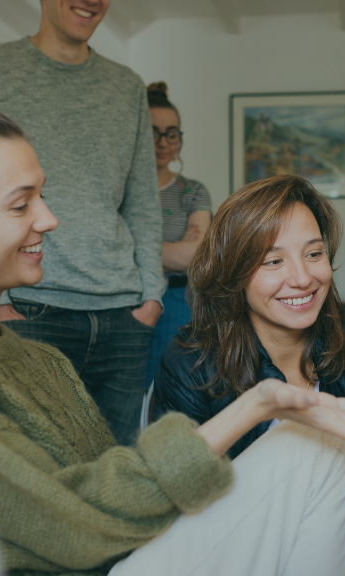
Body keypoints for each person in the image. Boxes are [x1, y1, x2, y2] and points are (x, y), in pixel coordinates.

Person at [0, 34, 345, 576]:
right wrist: (258, 404)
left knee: (311, 450)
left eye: (314, 254)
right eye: (23, 204)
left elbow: (122, 491)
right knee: (309, 450)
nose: (49, 219)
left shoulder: (36, 359)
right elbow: (82, 521)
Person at [0, 0, 164, 446]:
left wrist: (151, 296)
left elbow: (143, 202)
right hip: (26, 311)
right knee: (36, 474)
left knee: (118, 472)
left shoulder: (127, 87)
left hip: (124, 317)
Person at [153, 174, 345, 458]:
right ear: (233, 274)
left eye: (314, 254)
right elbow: (177, 486)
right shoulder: (191, 362)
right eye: (273, 261)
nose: (302, 279)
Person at [144, 82, 212, 386]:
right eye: (152, 131)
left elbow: (197, 255)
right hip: (125, 302)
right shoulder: (118, 192)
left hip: (178, 301)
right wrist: (172, 252)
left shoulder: (193, 191)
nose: (162, 142)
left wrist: (135, 251)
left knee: (172, 391)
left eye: (171, 133)